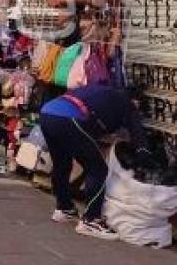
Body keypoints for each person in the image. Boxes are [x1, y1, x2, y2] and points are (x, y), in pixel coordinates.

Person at [40, 83, 152, 240]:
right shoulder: (128, 104)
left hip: (47, 112)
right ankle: (91, 220)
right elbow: (138, 134)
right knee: (98, 169)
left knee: (62, 163)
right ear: (135, 101)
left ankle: (64, 209)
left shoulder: (104, 89)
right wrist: (144, 154)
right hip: (68, 118)